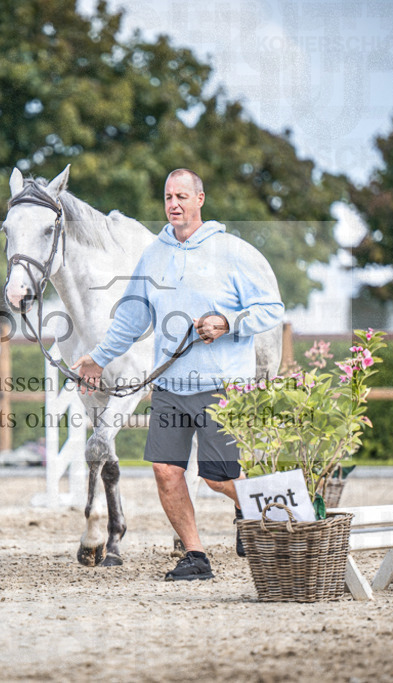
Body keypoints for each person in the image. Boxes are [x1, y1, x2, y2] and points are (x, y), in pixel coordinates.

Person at [71, 169, 284, 582]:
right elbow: (131, 320)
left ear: (200, 199)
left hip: (221, 386)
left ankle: (266, 509)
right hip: (169, 385)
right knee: (166, 471)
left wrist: (229, 320)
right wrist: (96, 359)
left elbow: (272, 309)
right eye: (168, 196)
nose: (174, 204)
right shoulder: (153, 254)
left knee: (217, 476)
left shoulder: (232, 251)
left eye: (182, 196)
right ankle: (195, 555)